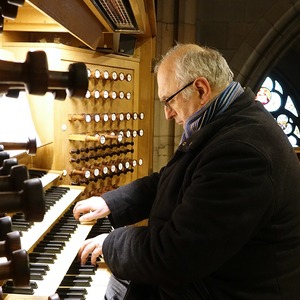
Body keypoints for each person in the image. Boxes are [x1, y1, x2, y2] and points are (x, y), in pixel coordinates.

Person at [73, 43, 300, 300]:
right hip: (204, 279)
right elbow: (173, 179)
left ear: (200, 89)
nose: (167, 114)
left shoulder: (242, 150)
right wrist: (110, 202)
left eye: (168, 101)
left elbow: (176, 255)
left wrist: (111, 244)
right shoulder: (226, 122)